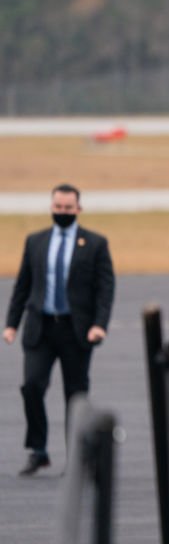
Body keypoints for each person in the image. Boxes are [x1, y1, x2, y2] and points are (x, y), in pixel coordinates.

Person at [3, 184, 115, 476]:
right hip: (40, 328)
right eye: (58, 207)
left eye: (68, 208)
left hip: (76, 331)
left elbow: (105, 289)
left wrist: (99, 325)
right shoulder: (36, 241)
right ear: (51, 206)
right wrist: (11, 323)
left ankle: (77, 456)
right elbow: (23, 285)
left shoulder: (95, 244)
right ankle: (38, 450)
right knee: (32, 387)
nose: (62, 212)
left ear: (78, 209)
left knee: (75, 396)